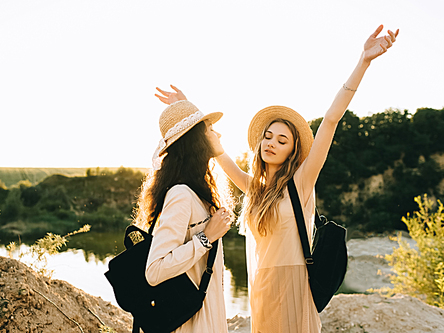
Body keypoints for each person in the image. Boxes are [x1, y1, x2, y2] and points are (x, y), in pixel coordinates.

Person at [155, 25, 399, 332]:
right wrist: (187, 109)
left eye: (282, 140)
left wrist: (363, 62)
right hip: (263, 286)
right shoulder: (254, 188)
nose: (272, 143)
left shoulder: (301, 182)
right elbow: (215, 146)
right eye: (268, 137)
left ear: (293, 150)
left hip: (295, 283)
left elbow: (331, 119)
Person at [134, 99, 234, 332]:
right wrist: (205, 238)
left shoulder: (198, 193)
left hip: (206, 312)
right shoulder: (181, 194)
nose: (217, 133)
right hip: (191, 322)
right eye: (209, 129)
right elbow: (155, 270)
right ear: (196, 139)